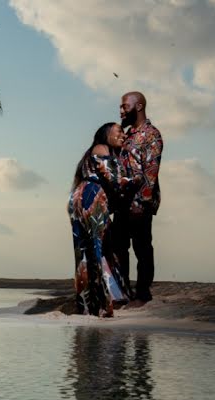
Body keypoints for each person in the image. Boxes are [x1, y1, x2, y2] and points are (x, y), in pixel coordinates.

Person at [68, 123, 142, 317]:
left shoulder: (90, 153)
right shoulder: (102, 148)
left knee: (84, 253)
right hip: (93, 196)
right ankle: (105, 303)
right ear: (105, 134)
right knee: (100, 248)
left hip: (79, 198)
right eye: (118, 132)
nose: (122, 136)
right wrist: (136, 179)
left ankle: (86, 305)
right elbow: (114, 179)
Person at [112, 91, 163, 305]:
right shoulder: (127, 135)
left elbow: (151, 171)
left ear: (139, 107)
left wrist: (143, 202)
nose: (121, 110)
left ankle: (143, 293)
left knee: (142, 248)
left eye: (125, 106)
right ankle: (122, 291)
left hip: (140, 203)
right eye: (121, 107)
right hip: (122, 202)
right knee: (118, 247)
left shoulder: (151, 134)